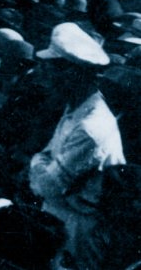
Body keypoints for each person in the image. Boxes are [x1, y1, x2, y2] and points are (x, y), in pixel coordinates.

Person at [28, 22, 125, 268]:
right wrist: (43, 163)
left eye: (53, 69)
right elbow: (45, 158)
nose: (47, 76)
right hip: (60, 217)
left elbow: (47, 186)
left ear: (71, 73)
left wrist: (38, 163)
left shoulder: (90, 127)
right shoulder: (76, 109)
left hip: (77, 232)